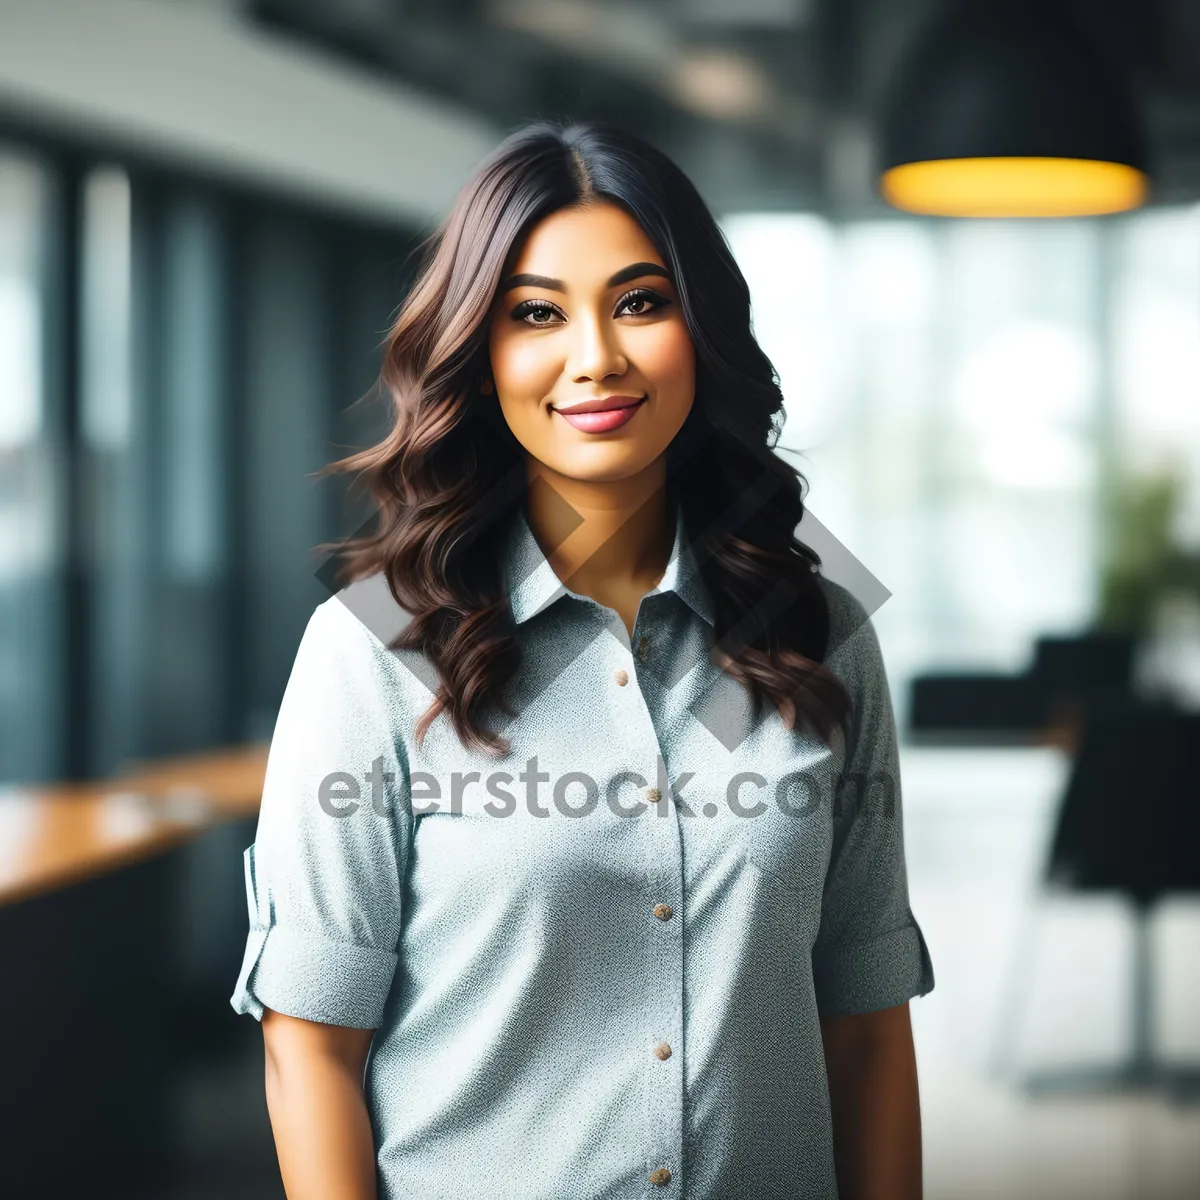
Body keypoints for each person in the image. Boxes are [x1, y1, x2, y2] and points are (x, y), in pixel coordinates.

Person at [230, 119, 935, 1200]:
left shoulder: (817, 628)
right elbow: (310, 1048)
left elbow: (869, 1026)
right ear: (478, 351)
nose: (596, 356)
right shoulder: (378, 645)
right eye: (537, 315)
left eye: (642, 303)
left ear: (702, 330)